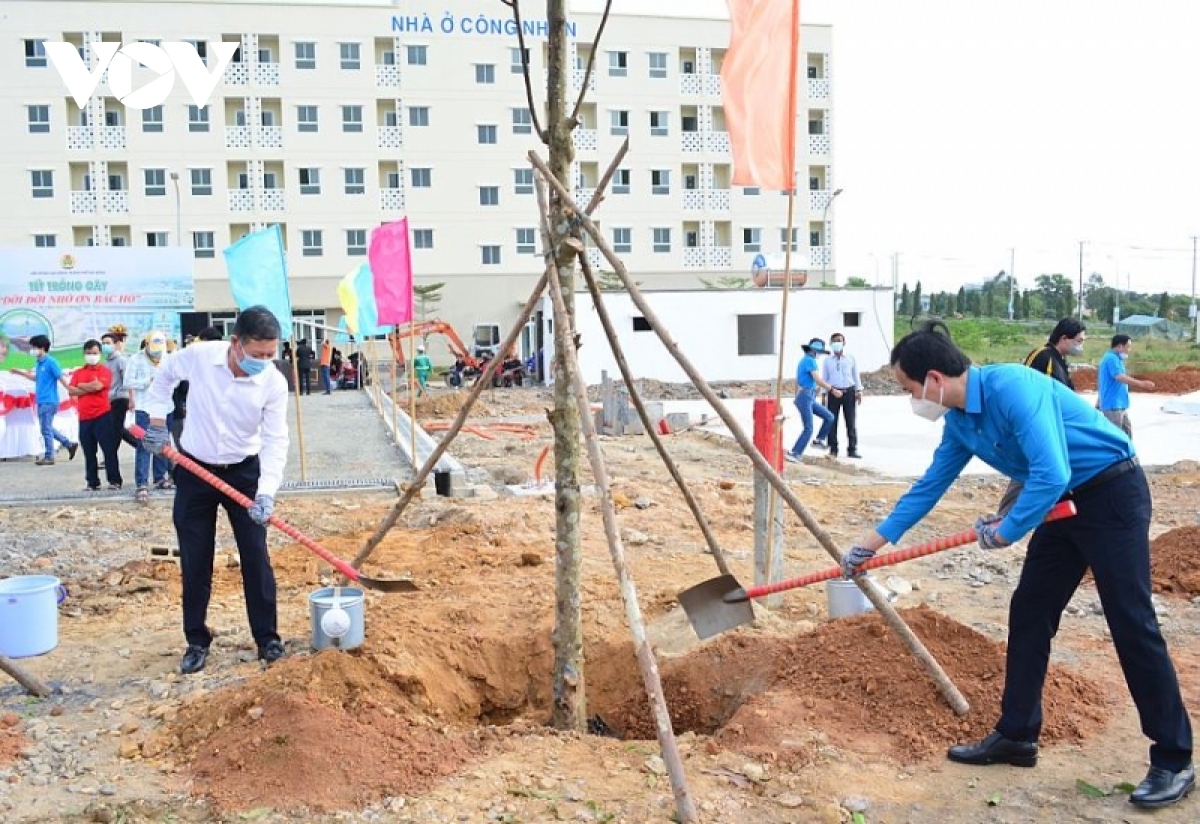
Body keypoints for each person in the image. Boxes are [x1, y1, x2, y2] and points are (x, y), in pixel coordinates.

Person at [841, 321, 1193, 810]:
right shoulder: (961, 421)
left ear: (936, 379)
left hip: (1111, 494)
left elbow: (1052, 471)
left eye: (908, 387)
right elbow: (929, 486)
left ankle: (1174, 759)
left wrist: (1007, 530)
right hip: (1059, 503)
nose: (911, 398)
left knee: (1131, 621)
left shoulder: (1014, 389)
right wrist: (870, 543)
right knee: (1029, 610)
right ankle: (1017, 734)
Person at [139, 305, 289, 675]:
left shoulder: (273, 382)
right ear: (235, 343)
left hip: (244, 473)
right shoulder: (201, 357)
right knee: (195, 557)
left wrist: (266, 492)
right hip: (195, 470)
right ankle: (196, 640)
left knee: (255, 555)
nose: (265, 361)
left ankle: (267, 638)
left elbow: (275, 440)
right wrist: (158, 422)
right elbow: (163, 379)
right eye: (258, 355)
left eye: (271, 354)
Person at [11, 334, 77, 465]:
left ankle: (49, 456)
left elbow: (60, 377)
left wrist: (70, 390)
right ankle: (68, 444)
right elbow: (36, 378)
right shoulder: (39, 362)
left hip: (49, 400)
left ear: (42, 348)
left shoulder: (51, 362)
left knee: (45, 429)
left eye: (34, 347)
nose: (32, 350)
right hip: (41, 400)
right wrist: (20, 373)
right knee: (46, 428)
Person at [68, 339, 121, 490]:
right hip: (84, 418)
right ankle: (92, 482)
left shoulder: (104, 371)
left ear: (100, 354)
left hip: (102, 415)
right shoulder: (79, 372)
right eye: (89, 353)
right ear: (84, 354)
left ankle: (114, 480)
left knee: (109, 450)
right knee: (89, 452)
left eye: (95, 353)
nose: (91, 356)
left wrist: (80, 386)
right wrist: (88, 387)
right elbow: (71, 390)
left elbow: (99, 386)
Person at [125, 330, 172, 502]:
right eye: (153, 348)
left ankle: (160, 478)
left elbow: (175, 379)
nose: (157, 352)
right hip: (144, 407)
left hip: (165, 406)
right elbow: (128, 382)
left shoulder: (167, 358)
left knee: (162, 442)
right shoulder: (136, 359)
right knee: (144, 444)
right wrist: (148, 382)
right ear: (146, 344)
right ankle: (142, 483)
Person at [785, 338, 839, 463]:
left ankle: (819, 440)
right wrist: (832, 390)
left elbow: (803, 381)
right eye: (819, 352)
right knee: (808, 428)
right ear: (814, 351)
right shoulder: (810, 361)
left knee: (829, 417)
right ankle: (795, 453)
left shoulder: (806, 361)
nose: (819, 355)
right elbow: (818, 379)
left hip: (808, 396)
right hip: (805, 397)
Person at [1098, 334, 1155, 437]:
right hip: (1113, 405)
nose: (1129, 350)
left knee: (1126, 433)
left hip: (1118, 404)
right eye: (1128, 347)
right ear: (1120, 346)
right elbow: (1119, 376)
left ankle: (1127, 453)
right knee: (1116, 436)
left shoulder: (1116, 359)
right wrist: (1141, 384)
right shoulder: (1111, 358)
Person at [820, 332, 863, 459]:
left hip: (849, 392)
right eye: (834, 341)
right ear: (831, 344)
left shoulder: (850, 358)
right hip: (833, 393)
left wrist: (859, 390)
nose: (837, 343)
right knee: (832, 421)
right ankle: (833, 449)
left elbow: (855, 375)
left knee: (851, 421)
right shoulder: (827, 361)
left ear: (844, 343)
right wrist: (823, 394)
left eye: (839, 340)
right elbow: (825, 378)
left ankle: (852, 449)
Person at [101, 327, 139, 453]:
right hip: (111, 399)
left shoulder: (121, 360)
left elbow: (128, 381)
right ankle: (141, 447)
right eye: (103, 343)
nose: (105, 345)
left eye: (108, 343)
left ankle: (110, 455)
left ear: (115, 344)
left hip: (121, 398)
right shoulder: (107, 362)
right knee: (118, 429)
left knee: (115, 429)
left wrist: (131, 399)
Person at [1023, 318, 1086, 390]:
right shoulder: (1041, 355)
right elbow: (1026, 384)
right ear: (1064, 338)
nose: (1081, 345)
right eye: (1079, 341)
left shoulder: (1062, 359)